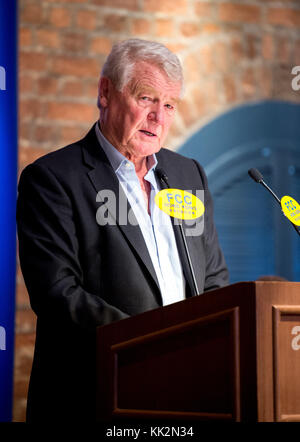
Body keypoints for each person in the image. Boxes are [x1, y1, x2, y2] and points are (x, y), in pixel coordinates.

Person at [17, 38, 229, 422]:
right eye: (146, 98)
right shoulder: (52, 179)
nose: (158, 118)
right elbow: (58, 295)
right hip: (96, 396)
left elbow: (212, 278)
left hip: (187, 395)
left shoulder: (187, 174)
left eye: (169, 105)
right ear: (105, 93)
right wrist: (156, 344)